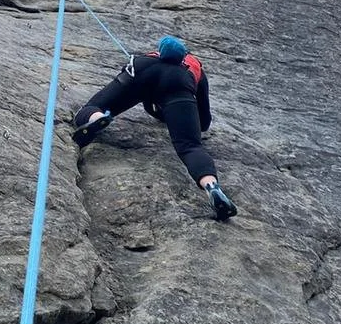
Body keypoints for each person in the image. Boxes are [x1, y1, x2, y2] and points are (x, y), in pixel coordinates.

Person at [71, 35, 238, 222]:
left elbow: (125, 86)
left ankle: (97, 117)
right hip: (177, 85)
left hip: (140, 72)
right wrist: (171, 115)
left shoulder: (149, 57)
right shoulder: (193, 67)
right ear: (184, 55)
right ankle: (211, 186)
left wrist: (152, 104)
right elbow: (204, 122)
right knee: (190, 146)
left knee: (91, 108)